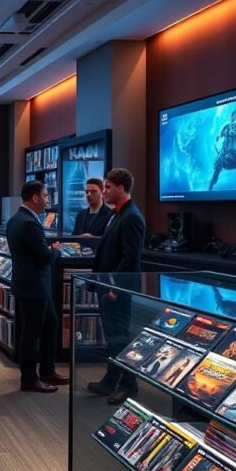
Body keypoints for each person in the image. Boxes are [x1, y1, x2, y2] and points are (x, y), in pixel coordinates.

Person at [87, 168, 146, 405]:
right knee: (112, 337)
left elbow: (130, 257)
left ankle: (128, 385)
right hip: (108, 284)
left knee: (121, 337)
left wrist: (116, 288)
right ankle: (110, 380)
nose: (104, 191)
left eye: (108, 187)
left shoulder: (131, 216)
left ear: (121, 188)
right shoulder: (117, 213)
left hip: (117, 288)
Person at [7, 181, 66, 393]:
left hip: (31, 285)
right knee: (31, 333)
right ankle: (29, 379)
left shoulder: (16, 219)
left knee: (51, 324)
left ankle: (48, 370)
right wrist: (56, 249)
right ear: (35, 198)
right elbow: (44, 256)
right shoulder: (29, 223)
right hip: (35, 286)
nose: (47, 199)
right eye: (45, 195)